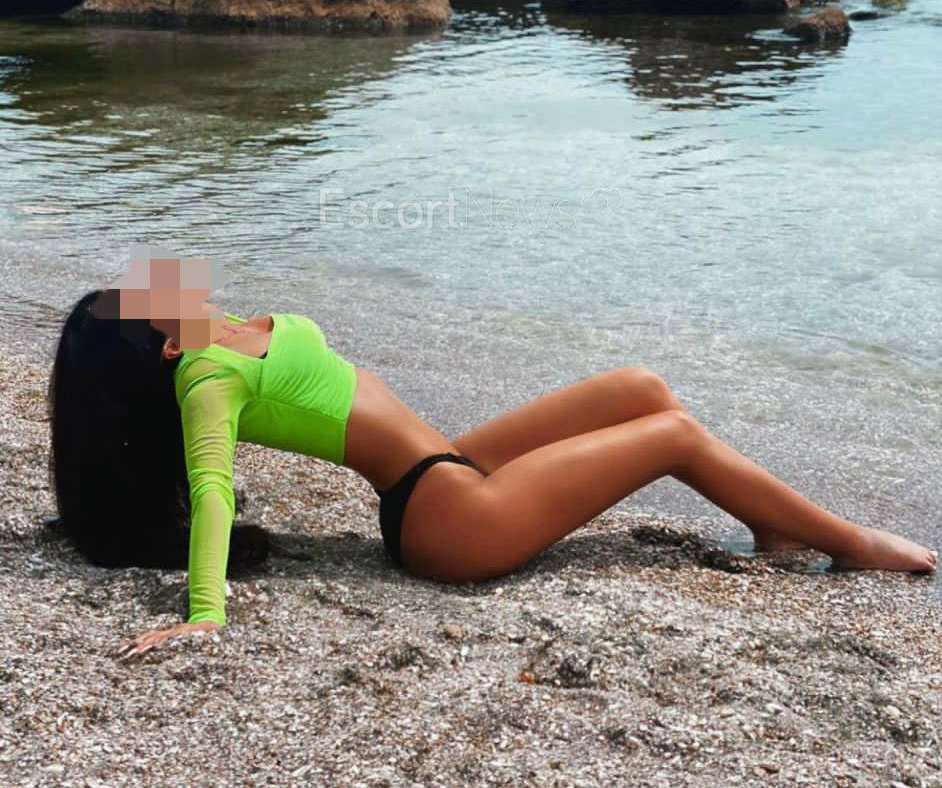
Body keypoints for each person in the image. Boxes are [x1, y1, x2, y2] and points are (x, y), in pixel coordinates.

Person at [48, 257, 937, 661]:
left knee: (643, 386)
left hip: (452, 462)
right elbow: (212, 492)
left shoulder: (230, 330)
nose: (170, 287)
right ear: (164, 347)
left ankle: (771, 527)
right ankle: (848, 542)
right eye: (153, 304)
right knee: (674, 437)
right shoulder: (206, 378)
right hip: (444, 521)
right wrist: (204, 614)